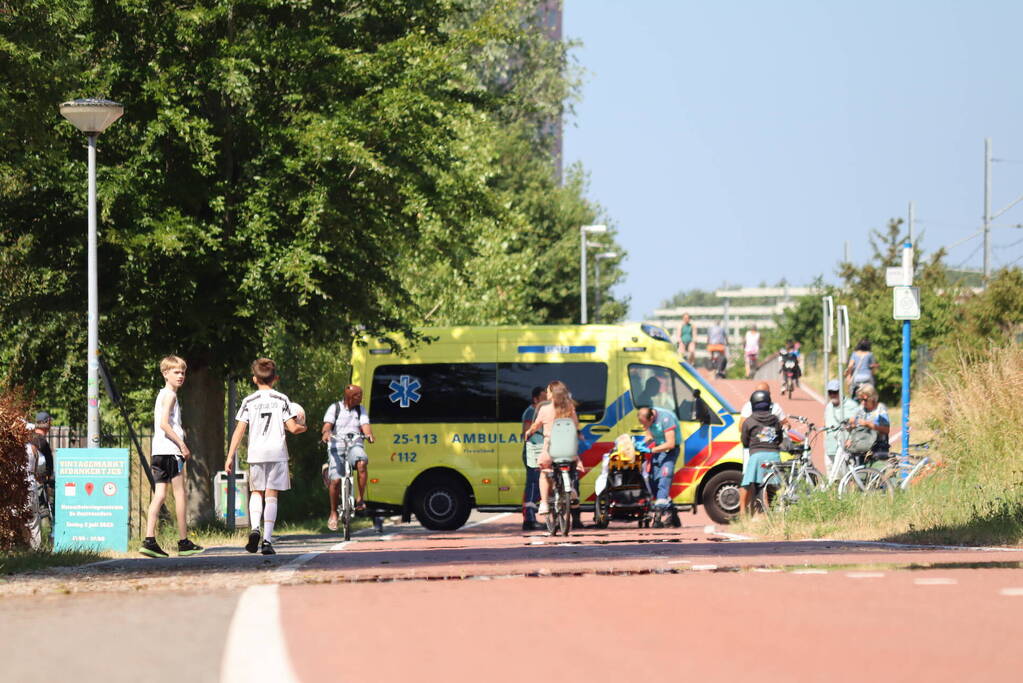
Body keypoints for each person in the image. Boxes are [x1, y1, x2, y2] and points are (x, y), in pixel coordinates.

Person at [225, 358, 307, 556]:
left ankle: (255, 528)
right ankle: (267, 541)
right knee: (272, 494)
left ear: (254, 379)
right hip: (277, 453)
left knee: (256, 492)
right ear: (275, 378)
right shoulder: (282, 400)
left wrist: (230, 456)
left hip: (256, 453)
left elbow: (239, 430)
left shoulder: (249, 401)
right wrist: (304, 426)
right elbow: (293, 428)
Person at [139, 356, 204, 558]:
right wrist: (182, 444)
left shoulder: (162, 395)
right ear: (165, 374)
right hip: (171, 451)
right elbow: (164, 424)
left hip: (158, 451)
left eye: (183, 372)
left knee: (159, 495)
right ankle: (183, 542)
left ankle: (149, 540)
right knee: (180, 494)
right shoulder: (170, 396)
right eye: (176, 372)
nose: (181, 376)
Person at [524, 380, 584, 518]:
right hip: (569, 451)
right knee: (572, 467)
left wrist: (529, 432)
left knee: (544, 473)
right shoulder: (570, 407)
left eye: (548, 391)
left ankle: (544, 502)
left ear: (552, 393)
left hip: (551, 451)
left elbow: (536, 425)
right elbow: (575, 425)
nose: (547, 393)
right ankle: (572, 489)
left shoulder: (544, 409)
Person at [321, 384, 376, 531]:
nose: (361, 398)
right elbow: (327, 425)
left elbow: (365, 425)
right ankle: (333, 513)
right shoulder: (335, 408)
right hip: (336, 446)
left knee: (362, 462)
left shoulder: (360, 409)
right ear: (350, 397)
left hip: (354, 445)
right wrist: (326, 433)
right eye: (359, 395)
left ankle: (360, 499)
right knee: (336, 480)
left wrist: (369, 434)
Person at [739, 390, 783, 515]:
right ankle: (771, 512)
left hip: (756, 456)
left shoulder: (749, 421)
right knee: (772, 485)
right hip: (773, 455)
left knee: (746, 483)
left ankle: (742, 512)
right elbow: (779, 438)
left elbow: (744, 441)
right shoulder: (775, 420)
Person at [637, 406, 682, 527]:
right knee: (654, 482)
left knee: (664, 479)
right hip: (658, 450)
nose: (644, 426)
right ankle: (674, 516)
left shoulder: (666, 419)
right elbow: (650, 436)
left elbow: (670, 444)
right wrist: (641, 444)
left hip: (669, 451)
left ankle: (657, 519)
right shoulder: (648, 418)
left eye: (645, 423)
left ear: (651, 417)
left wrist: (651, 450)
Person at [520, 386, 546, 531]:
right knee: (533, 484)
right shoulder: (531, 412)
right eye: (543, 399)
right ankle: (529, 520)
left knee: (537, 483)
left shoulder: (540, 412)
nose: (546, 402)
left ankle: (531, 517)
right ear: (535, 399)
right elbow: (526, 432)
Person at [824, 379, 860, 481]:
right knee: (831, 477)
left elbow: (859, 426)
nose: (832, 395)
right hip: (829, 447)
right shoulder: (828, 407)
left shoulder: (852, 406)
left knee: (845, 476)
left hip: (844, 447)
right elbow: (826, 425)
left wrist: (852, 439)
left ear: (840, 392)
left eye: (835, 392)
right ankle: (832, 496)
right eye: (830, 392)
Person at [849, 383, 890, 457]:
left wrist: (868, 424)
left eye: (865, 400)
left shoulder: (880, 409)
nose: (862, 402)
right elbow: (853, 424)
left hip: (878, 449)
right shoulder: (861, 408)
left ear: (872, 398)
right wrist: (852, 424)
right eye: (860, 400)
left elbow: (886, 430)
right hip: (862, 448)